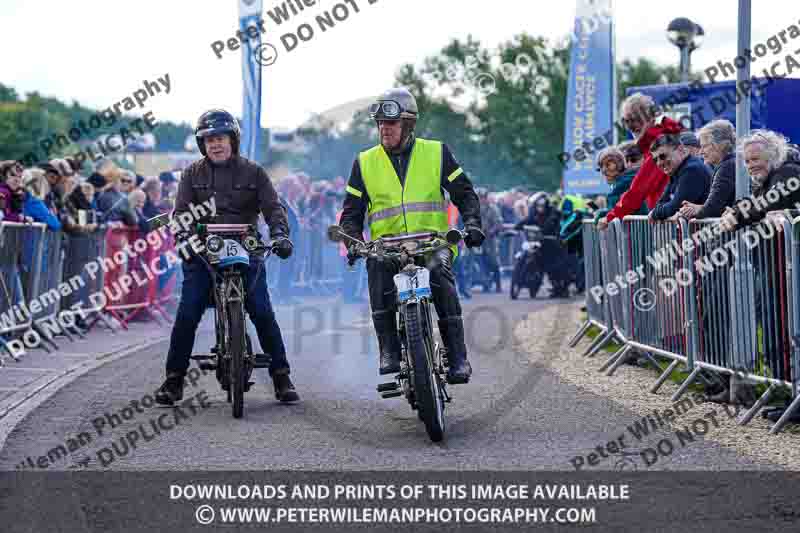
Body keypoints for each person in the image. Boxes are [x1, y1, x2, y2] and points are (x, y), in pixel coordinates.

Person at [155, 109, 299, 405]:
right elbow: (181, 213)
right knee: (188, 312)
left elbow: (273, 209)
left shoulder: (255, 172)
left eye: (219, 138)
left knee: (261, 309)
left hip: (246, 247)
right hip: (204, 251)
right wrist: (184, 238)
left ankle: (281, 376)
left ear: (232, 140)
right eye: (208, 140)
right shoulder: (191, 174)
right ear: (201, 145)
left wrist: (280, 235)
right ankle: (174, 381)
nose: (214, 144)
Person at [338, 88, 483, 383]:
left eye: (390, 123)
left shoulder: (436, 152)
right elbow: (350, 213)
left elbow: (465, 194)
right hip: (386, 249)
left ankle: (458, 357)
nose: (384, 129)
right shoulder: (364, 162)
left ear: (408, 124)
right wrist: (352, 241)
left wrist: (474, 224)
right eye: (379, 123)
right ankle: (389, 350)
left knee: (442, 281)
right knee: (376, 274)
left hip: (432, 244)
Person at [597, 93, 682, 230]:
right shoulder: (663, 137)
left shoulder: (660, 143)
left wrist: (610, 217)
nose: (630, 126)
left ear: (649, 116)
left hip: (671, 225)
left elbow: (638, 190)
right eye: (626, 121)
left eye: (635, 119)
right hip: (669, 221)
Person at [677, 120, 737, 220]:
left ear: (719, 145)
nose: (701, 152)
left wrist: (695, 210)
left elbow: (713, 209)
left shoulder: (726, 167)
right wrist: (697, 207)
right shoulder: (729, 164)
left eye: (704, 146)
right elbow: (720, 207)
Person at [647, 133, 712, 222]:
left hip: (708, 233)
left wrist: (655, 213)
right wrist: (657, 211)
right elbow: (661, 204)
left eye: (663, 156)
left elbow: (674, 207)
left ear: (680, 150)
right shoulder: (677, 170)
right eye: (655, 160)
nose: (659, 163)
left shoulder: (692, 169)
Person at [477, 187, 503, 293]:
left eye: (483, 197)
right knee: (481, 262)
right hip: (478, 239)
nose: (481, 200)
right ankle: (485, 284)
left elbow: (498, 223)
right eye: (479, 197)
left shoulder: (493, 209)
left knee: (494, 262)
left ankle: (498, 285)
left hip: (490, 240)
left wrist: (492, 231)